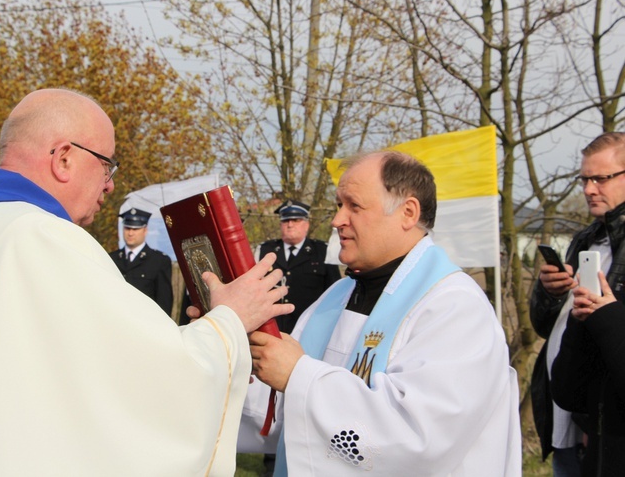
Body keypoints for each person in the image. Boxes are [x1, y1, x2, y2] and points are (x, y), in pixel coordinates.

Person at [0, 88, 293, 476]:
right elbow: (146, 379)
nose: (110, 185)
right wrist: (230, 321)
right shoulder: (36, 235)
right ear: (63, 158)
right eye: (106, 164)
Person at [232, 151, 522, 475]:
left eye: (353, 206)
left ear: (407, 212)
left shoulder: (454, 306)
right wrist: (231, 334)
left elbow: (417, 438)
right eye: (339, 205)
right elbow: (279, 414)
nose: (337, 220)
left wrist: (300, 376)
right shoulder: (336, 296)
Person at [547, 133, 625, 477]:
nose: (589, 189)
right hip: (577, 419)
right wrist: (549, 294)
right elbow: (548, 327)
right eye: (585, 179)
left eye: (601, 178)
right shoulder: (586, 240)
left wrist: (605, 315)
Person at [257, 199, 341, 334]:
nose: (290, 225)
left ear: (306, 224)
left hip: (309, 330)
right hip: (272, 329)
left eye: (296, 220)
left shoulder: (322, 251)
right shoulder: (265, 250)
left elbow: (335, 295)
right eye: (285, 221)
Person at [110, 208, 173, 316]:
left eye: (135, 229)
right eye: (127, 228)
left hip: (144, 322)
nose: (130, 233)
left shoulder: (159, 261)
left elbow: (164, 301)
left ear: (145, 230)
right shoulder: (112, 258)